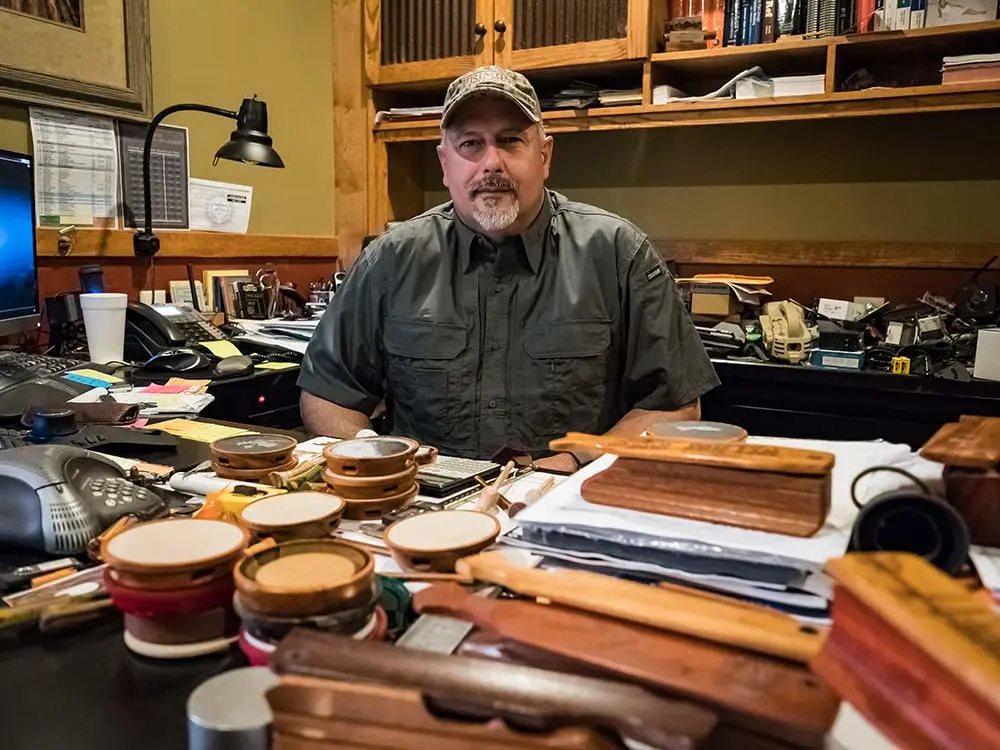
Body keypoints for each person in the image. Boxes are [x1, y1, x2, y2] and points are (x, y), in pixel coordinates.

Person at [299, 66, 720, 471]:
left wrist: (581, 459)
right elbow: (327, 393)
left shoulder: (617, 253)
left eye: (511, 140)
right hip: (424, 509)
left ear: (544, 155)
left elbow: (675, 405)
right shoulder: (390, 259)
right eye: (470, 144)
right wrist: (376, 454)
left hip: (568, 503)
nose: (492, 163)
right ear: (445, 164)